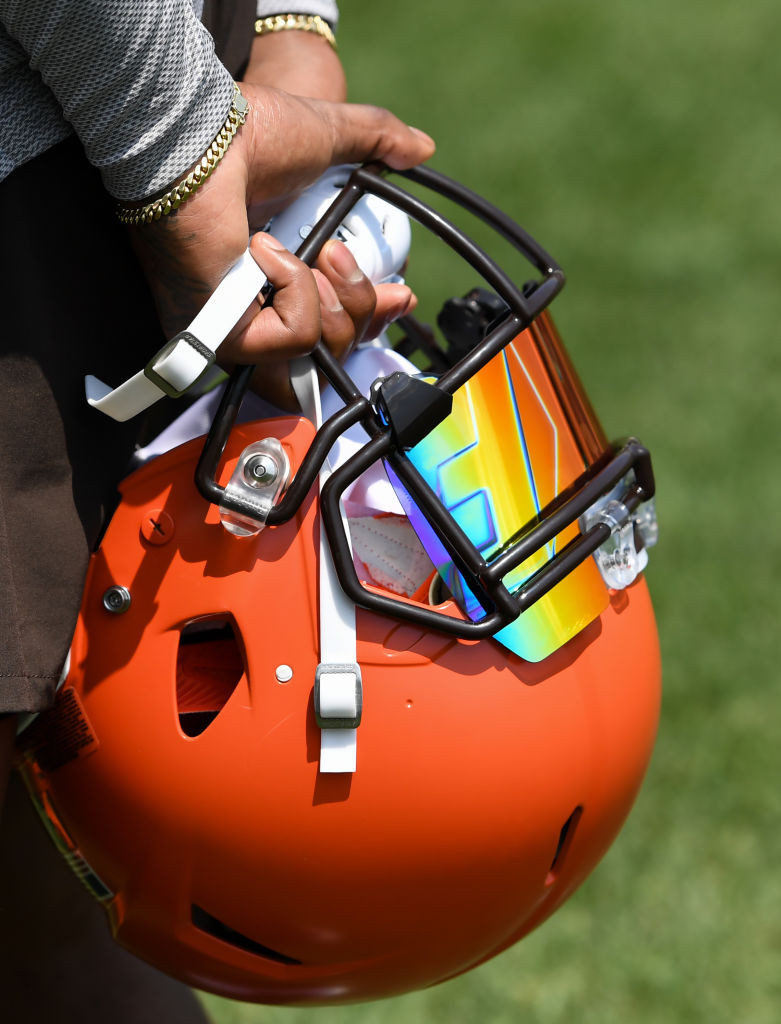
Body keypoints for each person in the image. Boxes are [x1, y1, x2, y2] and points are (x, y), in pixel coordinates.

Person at [0, 1, 434, 1018]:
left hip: (120, 100)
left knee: (41, 892)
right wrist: (183, 158)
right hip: (86, 118)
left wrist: (290, 27)